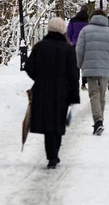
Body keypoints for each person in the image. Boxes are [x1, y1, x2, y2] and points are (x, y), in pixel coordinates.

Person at [25, 17, 80, 170]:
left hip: (43, 90)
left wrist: (39, 78)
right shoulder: (68, 49)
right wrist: (74, 95)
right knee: (58, 122)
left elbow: (29, 67)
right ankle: (54, 154)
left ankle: (52, 156)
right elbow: (73, 75)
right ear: (63, 30)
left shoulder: (40, 47)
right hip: (63, 91)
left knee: (48, 122)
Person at [75, 9, 109, 135]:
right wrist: (107, 58)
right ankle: (100, 121)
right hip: (105, 68)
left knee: (94, 94)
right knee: (102, 95)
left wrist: (80, 65)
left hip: (90, 67)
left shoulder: (85, 31)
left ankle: (98, 121)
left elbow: (79, 50)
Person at [66, 5, 90, 89]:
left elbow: (68, 32)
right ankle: (84, 83)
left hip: (75, 45)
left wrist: (72, 40)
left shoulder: (73, 20)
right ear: (87, 11)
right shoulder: (88, 21)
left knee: (75, 64)